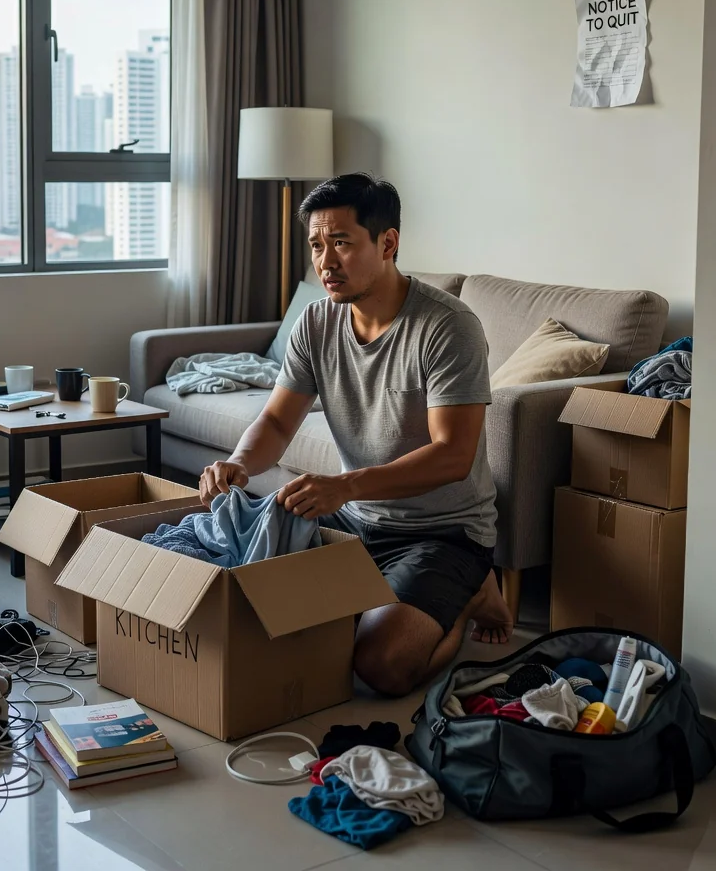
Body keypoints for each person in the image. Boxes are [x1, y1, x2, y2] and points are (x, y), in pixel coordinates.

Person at [199, 172, 512, 697]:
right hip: (356, 519)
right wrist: (239, 464)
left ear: (387, 243)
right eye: (317, 245)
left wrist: (343, 486)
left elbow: (452, 455)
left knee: (381, 666)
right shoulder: (316, 322)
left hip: (443, 531)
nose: (326, 261)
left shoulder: (447, 326)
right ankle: (404, 597)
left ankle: (471, 595)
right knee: (255, 605)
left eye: (342, 242)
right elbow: (277, 422)